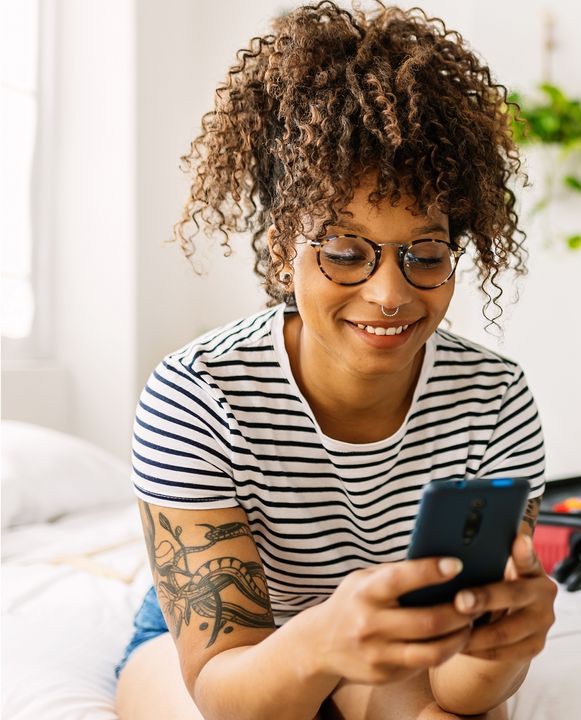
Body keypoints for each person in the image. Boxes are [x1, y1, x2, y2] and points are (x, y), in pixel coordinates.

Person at [113, 3, 554, 718]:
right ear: (286, 243)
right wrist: (321, 641)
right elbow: (228, 692)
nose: (388, 294)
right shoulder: (198, 395)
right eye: (345, 252)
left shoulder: (493, 399)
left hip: (398, 637)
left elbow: (461, 695)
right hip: (224, 652)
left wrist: (500, 651)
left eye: (428, 254)